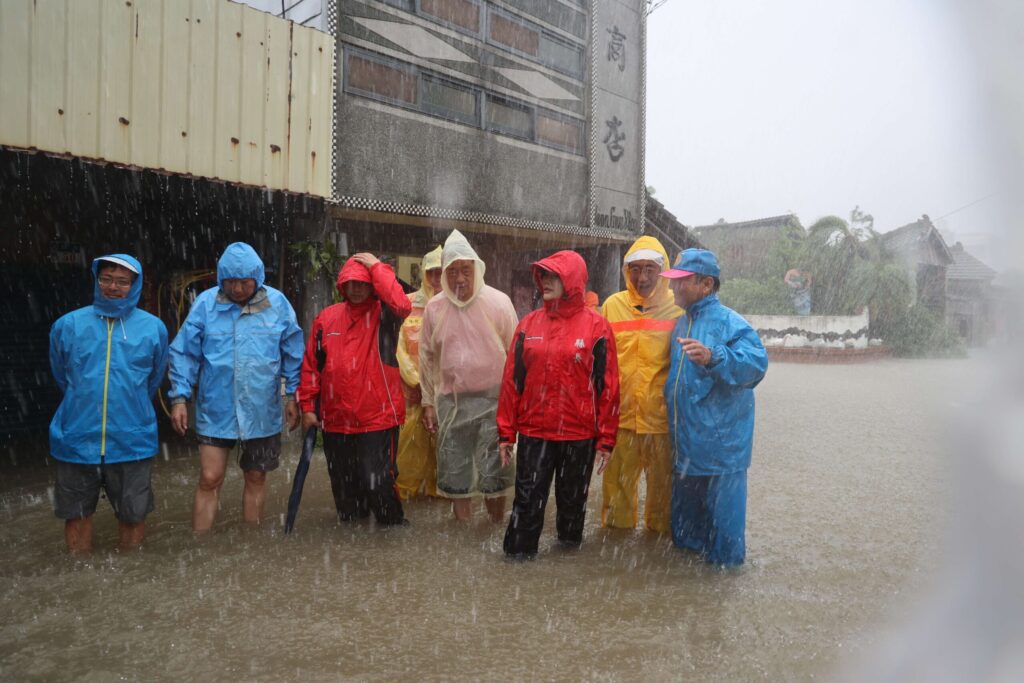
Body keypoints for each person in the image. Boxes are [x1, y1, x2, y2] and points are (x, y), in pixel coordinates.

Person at [168, 242, 304, 531]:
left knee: (256, 477)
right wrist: (179, 398)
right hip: (216, 407)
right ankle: (200, 544)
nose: (238, 288)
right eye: (231, 281)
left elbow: (294, 352)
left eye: (245, 281)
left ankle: (250, 541)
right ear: (221, 279)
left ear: (258, 277)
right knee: (209, 477)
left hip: (261, 409)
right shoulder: (206, 304)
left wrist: (293, 395)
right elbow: (184, 353)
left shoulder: (277, 305)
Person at [498, 250, 620, 558]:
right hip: (535, 432)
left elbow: (608, 387)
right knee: (526, 503)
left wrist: (606, 439)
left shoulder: (597, 328)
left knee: (572, 507)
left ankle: (567, 571)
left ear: (573, 280)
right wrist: (505, 433)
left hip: (579, 436)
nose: (546, 281)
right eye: (544, 275)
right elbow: (512, 383)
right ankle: (516, 567)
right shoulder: (527, 325)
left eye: (554, 275)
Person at [49, 254, 169, 552]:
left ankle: (129, 580)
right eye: (106, 279)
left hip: (132, 439)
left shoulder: (154, 328)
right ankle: (81, 577)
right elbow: (61, 375)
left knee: (133, 514)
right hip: (76, 438)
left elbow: (154, 379)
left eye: (122, 281)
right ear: (96, 280)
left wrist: (129, 405)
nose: (113, 287)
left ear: (135, 285)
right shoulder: (68, 325)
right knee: (76, 515)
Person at [662, 248, 768, 567]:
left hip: (723, 453)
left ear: (706, 284)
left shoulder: (731, 323)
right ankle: (692, 603)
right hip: (687, 450)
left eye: (681, 281)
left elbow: (757, 365)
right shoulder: (681, 325)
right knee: (686, 539)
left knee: (725, 546)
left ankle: (720, 601)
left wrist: (714, 357)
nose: (672, 288)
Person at [298, 252, 410, 526]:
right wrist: (308, 407)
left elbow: (402, 303)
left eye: (363, 283)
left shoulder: (385, 314)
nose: (357, 289)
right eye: (352, 283)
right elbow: (312, 366)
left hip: (378, 419)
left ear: (372, 284)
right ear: (342, 286)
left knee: (379, 483)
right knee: (346, 497)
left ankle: (394, 539)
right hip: (337, 421)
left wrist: (376, 266)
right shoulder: (326, 319)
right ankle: (355, 555)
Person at [419, 230, 518, 522]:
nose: (459, 279)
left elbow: (515, 355)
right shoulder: (434, 308)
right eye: (452, 272)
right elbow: (426, 358)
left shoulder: (499, 302)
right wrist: (427, 402)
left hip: (494, 402)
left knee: (495, 474)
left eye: (465, 270)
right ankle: (463, 539)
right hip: (451, 403)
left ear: (477, 269)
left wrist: (516, 404)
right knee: (455, 472)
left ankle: (495, 527)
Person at [600, 236, 682, 534]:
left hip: (661, 423)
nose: (643, 277)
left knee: (663, 500)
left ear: (663, 271)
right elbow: (601, 364)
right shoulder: (612, 306)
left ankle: (655, 556)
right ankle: (616, 560)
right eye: (635, 269)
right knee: (616, 502)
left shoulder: (678, 309)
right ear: (626, 271)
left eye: (650, 269)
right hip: (621, 422)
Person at [395, 246, 443, 500]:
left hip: (445, 397)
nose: (436, 279)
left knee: (444, 459)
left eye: (441, 273)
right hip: (412, 396)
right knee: (408, 457)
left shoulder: (457, 307)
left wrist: (435, 390)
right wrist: (417, 382)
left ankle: (440, 498)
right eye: (431, 273)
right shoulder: (408, 304)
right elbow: (399, 348)